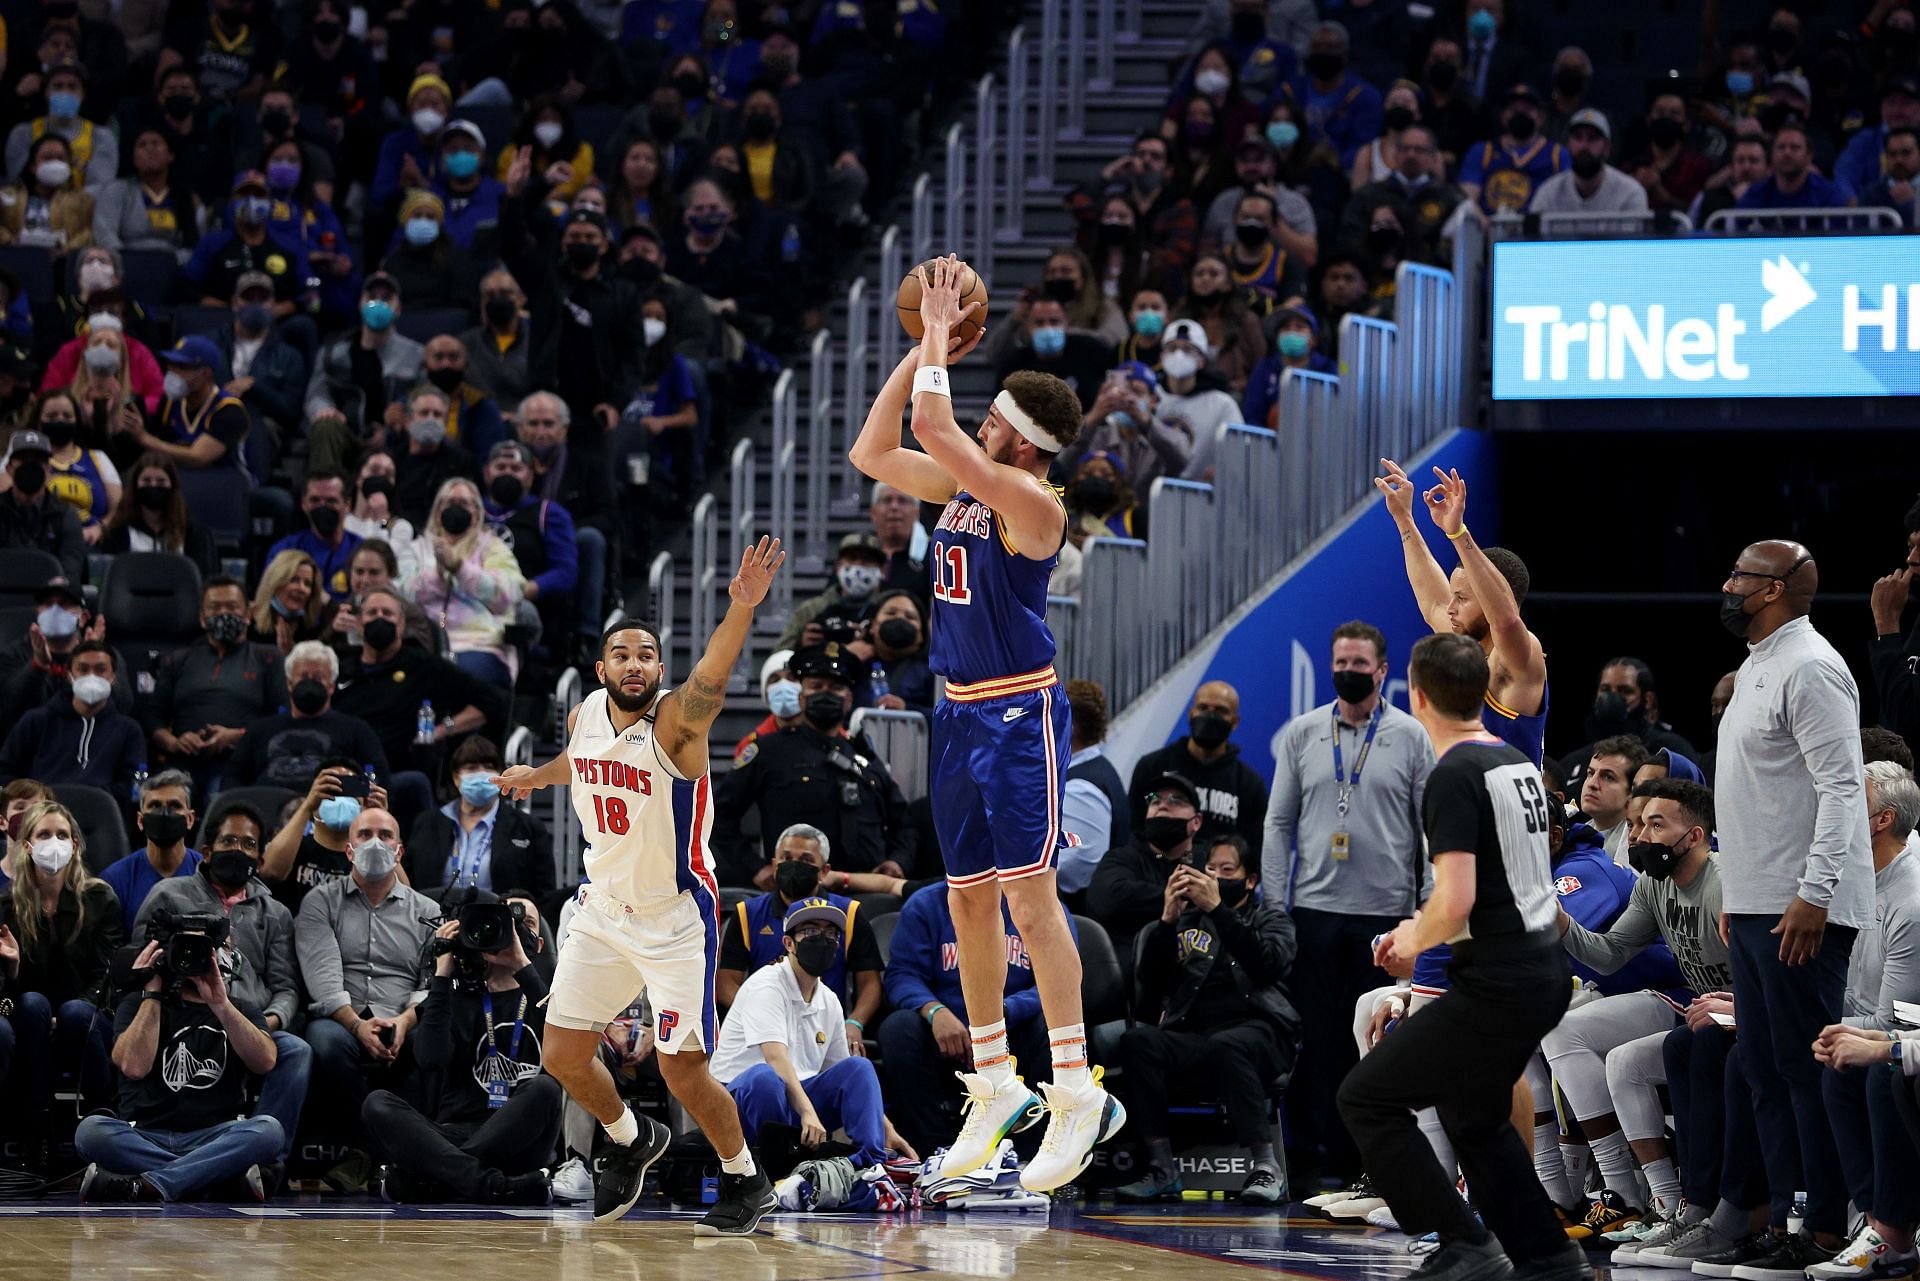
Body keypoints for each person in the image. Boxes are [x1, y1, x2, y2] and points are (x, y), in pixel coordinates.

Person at [849, 254, 1124, 1190]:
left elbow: (932, 422)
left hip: (1018, 715)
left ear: (1023, 443)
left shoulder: (1031, 503)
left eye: (994, 422)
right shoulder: (966, 485)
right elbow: (877, 450)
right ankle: (999, 1080)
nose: (978, 426)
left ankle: (1078, 1082)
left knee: (1031, 900)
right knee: (966, 897)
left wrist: (936, 334)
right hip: (956, 713)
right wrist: (923, 349)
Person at [488, 539, 787, 1233]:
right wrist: (540, 775)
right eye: (622, 654)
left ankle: (747, 1177)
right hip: (603, 910)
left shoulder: (679, 725)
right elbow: (581, 759)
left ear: (659, 668)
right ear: (603, 667)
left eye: (647, 656)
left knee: (684, 1071)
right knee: (561, 1052)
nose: (634, 665)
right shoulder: (586, 711)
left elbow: (713, 672)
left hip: (675, 917)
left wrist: (741, 607)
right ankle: (630, 1138)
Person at [1337, 633, 1589, 1281]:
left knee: (1367, 1096)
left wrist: (1409, 941)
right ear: (1482, 692)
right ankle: (1548, 1255)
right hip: (1541, 968)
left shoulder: (1451, 774)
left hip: (1498, 979)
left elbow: (1456, 899)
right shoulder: (1510, 758)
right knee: (1473, 1114)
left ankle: (1462, 1239)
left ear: (1415, 696)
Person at [1715, 539, 1876, 1273]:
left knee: (1806, 1069)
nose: (1727, 584)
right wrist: (1735, 891)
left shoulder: (1812, 666)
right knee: (1766, 1067)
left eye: (1740, 574)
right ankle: (1786, 1217)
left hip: (1801, 906)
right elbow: (1760, 799)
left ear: (1775, 587)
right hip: (1756, 903)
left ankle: (1826, 1227)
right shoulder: (1757, 664)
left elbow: (1845, 787)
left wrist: (1814, 891)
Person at [1264, 620, 1434, 1187]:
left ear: (1382, 671)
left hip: (1385, 915)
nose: (1349, 672)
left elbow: (1430, 828)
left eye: (1360, 665)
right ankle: (1316, 1160)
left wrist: (1427, 909)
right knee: (1316, 1041)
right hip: (1313, 913)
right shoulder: (1302, 733)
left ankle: (1371, 1161)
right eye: (1341, 662)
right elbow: (1277, 823)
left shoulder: (1412, 736)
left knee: (1376, 1041)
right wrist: (1273, 904)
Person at [1548, 778, 1732, 1238]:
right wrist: (1561, 923)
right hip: (1694, 1007)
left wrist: (1738, 1006)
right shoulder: (1653, 885)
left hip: (1730, 1010)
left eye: (1655, 824)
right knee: (1624, 1062)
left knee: (1678, 1050)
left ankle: (1698, 1204)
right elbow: (1610, 953)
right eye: (1640, 823)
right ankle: (1663, 1203)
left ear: (1694, 836)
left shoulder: (1725, 884)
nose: (1640, 836)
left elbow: (1768, 969)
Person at [1114, 833, 1298, 1204]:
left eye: (1226, 870)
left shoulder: (1271, 919)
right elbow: (1150, 991)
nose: (1214, 877)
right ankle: (1163, 1169)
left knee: (1230, 1044)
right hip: (1196, 1036)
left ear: (1250, 880)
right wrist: (1167, 921)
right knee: (1137, 1041)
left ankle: (1267, 1168)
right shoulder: (1184, 922)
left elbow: (1267, 967)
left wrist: (1220, 912)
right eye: (1209, 869)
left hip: (1261, 1033)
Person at [712, 897, 916, 1211]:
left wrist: (888, 1130)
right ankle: (769, 1177)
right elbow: (776, 1059)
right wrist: (808, 1113)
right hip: (739, 1103)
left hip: (793, 1102)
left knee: (858, 1067)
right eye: (810, 931)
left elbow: (846, 1076)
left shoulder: (830, 1000)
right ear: (788, 943)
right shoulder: (766, 986)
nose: (822, 939)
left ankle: (872, 1169)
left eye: (830, 933)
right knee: (765, 1079)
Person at [135, 802, 309, 1165]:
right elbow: (140, 965)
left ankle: (264, 1167)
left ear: (260, 859)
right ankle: (205, 1159)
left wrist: (269, 1023)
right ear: (208, 851)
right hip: (179, 1017)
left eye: (249, 844)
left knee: (296, 1050)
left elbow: (287, 986)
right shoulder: (169, 895)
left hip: (248, 1021)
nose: (239, 850)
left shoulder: (275, 913)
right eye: (229, 841)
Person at [361, 890, 559, 1205]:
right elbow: (429, 1059)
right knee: (377, 1104)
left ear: (539, 943)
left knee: (546, 1088)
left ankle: (435, 1181)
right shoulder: (455, 997)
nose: (510, 931)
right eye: (502, 922)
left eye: (523, 923)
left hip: (523, 1139)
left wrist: (521, 965)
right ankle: (490, 1185)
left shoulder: (545, 997)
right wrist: (442, 974)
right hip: (456, 1132)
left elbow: (563, 1049)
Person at [74, 925, 283, 1203]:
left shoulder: (240, 1008)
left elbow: (265, 1062)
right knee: (91, 1132)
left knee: (269, 1131)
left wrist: (220, 1004)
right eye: (184, 948)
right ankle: (214, 1177)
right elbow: (134, 1067)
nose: (193, 957)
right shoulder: (137, 1003)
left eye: (207, 949)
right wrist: (152, 992)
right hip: (147, 1134)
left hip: (215, 1134)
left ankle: (148, 1184)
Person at [877, 881, 1069, 1159]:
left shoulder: (1044, 906)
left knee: (1047, 1025)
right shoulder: (926, 904)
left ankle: (1032, 1155)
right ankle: (933, 1153)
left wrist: (1002, 1010)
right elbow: (901, 974)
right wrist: (933, 1011)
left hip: (1012, 1034)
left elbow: (1058, 980)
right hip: (948, 1036)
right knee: (898, 1029)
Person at [1378, 458, 1550, 765]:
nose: (1451, 608)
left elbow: (1506, 620)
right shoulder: (1467, 650)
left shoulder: (1519, 657)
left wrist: (1458, 534)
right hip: (1469, 797)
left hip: (1509, 806)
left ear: (1490, 598)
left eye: (1462, 598)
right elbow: (1432, 603)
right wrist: (1404, 518)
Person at [714, 642, 917, 884]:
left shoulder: (864, 756)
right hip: (798, 892)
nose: (825, 693)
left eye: (835, 688)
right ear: (801, 698)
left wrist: (897, 861)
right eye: (816, 687)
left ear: (849, 699)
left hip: (866, 891)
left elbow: (904, 823)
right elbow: (720, 817)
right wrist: (755, 869)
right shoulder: (769, 751)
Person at [295, 805, 435, 1139]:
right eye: (365, 835)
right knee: (326, 1042)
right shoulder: (319, 902)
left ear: (398, 851)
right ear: (349, 849)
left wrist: (404, 1021)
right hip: (342, 1017)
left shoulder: (428, 911)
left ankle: (398, 1147)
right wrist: (357, 1025)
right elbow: (323, 978)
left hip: (405, 1016)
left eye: (385, 836)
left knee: (428, 1040)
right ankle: (376, 1145)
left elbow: (432, 984)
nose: (375, 843)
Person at [1, 799, 122, 1134]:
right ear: (27, 845)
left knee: (74, 1013)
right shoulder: (6, 906)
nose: (53, 843)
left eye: (61, 834)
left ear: (75, 844)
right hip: (27, 1015)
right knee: (31, 1004)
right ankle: (36, 1125)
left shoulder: (100, 899)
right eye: (43, 834)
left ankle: (105, 1123)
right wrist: (11, 971)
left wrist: (77, 1006)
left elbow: (106, 978)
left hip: (87, 1012)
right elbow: (4, 1000)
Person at [716, 824, 883, 1043]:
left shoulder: (849, 913)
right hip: (765, 1025)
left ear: (824, 871)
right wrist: (754, 1013)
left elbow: (870, 982)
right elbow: (726, 982)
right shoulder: (747, 913)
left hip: (827, 1028)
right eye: (786, 858)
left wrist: (855, 1023)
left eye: (806, 860)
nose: (794, 865)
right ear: (775, 866)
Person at [332, 587, 496, 807]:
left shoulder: (425, 668)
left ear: (402, 625)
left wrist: (442, 729)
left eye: (387, 613)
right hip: (343, 775)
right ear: (359, 624)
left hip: (396, 776)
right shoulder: (341, 670)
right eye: (372, 613)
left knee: (414, 785)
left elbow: (491, 701)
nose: (380, 618)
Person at [149, 576, 286, 792]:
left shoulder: (269, 658)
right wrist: (175, 742)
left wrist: (235, 736)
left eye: (232, 607)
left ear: (248, 615)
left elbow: (281, 718)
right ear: (202, 618)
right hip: (183, 763)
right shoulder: (177, 660)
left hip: (241, 762)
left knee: (218, 796)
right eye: (214, 608)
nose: (223, 613)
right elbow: (153, 719)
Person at [404, 478, 525, 686]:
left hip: (480, 644)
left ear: (477, 512)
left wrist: (460, 568)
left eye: (464, 503)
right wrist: (438, 574)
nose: (456, 508)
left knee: (455, 679)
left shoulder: (493, 548)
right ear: (436, 510)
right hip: (423, 643)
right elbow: (403, 592)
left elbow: (508, 595)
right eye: (450, 503)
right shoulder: (416, 549)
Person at [225, 641, 390, 793]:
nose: (310, 683)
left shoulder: (357, 730)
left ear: (331, 685)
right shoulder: (259, 730)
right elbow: (232, 778)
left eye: (318, 678)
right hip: (266, 812)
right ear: (289, 683)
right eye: (303, 677)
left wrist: (339, 791)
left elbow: (377, 779)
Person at [303, 274, 427, 475]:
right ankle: (326, 496)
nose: (377, 303)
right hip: (347, 437)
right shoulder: (333, 352)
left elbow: (424, 399)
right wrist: (325, 410)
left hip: (396, 440)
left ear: (398, 308)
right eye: (372, 297)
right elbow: (316, 394)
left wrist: (391, 429)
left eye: (386, 298)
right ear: (360, 304)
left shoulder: (416, 355)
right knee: (325, 426)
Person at [1128, 680, 1269, 854]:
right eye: (1203, 708)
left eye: (1221, 711)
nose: (1210, 716)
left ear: (1235, 721)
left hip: (1217, 877)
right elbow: (1134, 834)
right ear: (1191, 713)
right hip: (1158, 875)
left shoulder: (1250, 785)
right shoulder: (1152, 767)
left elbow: (1252, 853)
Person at [403, 737, 551, 896]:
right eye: (472, 768)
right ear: (456, 778)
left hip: (502, 917)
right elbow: (409, 884)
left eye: (489, 767)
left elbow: (545, 895)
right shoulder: (427, 823)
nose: (481, 774)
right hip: (435, 917)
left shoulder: (528, 827)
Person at [0, 642, 144, 794]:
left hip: (102, 814)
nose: (91, 676)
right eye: (82, 669)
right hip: (40, 812)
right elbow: (5, 771)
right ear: (69, 675)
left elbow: (137, 785)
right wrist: (33, 797)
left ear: (114, 677)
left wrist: (95, 799)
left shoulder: (129, 730)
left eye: (100, 670)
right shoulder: (35, 721)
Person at [1087, 771, 1208, 952]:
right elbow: (1111, 899)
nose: (1163, 805)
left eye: (1176, 800)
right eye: (1155, 800)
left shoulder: (1209, 863)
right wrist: (1182, 897)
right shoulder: (1120, 858)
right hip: (1131, 967)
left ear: (1196, 821)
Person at [260, 761, 390, 914]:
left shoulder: (370, 857)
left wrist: (381, 823)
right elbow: (269, 871)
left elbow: (404, 899)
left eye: (349, 789)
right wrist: (307, 806)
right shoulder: (294, 849)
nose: (341, 799)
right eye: (331, 788)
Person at [1558, 657, 1699, 794]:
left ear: (1648, 700)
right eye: (1605, 690)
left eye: (1625, 691)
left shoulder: (1669, 751)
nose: (1611, 699)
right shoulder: (1573, 761)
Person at [131, 336, 251, 479]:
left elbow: (198, 457)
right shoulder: (170, 402)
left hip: (225, 483)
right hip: (181, 478)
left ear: (205, 373)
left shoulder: (229, 410)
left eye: (181, 367)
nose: (172, 372)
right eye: (170, 365)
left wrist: (145, 439)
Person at [98, 771, 200, 934]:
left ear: (190, 819)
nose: (164, 814)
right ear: (140, 820)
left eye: (174, 806)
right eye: (155, 806)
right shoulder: (114, 879)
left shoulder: (207, 874)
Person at [1059, 679, 1130, 899]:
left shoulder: (1081, 789)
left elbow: (1075, 868)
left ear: (1069, 726)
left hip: (1075, 918)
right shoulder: (1085, 772)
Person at [97, 452, 217, 576]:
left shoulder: (194, 534)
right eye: (146, 481)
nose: (153, 485)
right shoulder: (117, 532)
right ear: (135, 486)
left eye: (161, 481)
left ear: (172, 486)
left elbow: (202, 579)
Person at [1459, 84, 1570, 214]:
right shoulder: (1482, 151)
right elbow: (1467, 200)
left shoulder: (1558, 155)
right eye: (1513, 110)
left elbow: (1567, 201)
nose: (1520, 114)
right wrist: (1481, 221)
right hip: (1489, 228)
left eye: (1527, 110)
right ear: (1502, 117)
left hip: (1536, 229)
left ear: (1540, 117)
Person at [777, 532, 890, 650]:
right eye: (852, 558)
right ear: (838, 566)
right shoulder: (811, 610)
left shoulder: (889, 609)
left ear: (883, 570)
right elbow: (779, 657)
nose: (858, 565)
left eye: (867, 560)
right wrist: (802, 645)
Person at [1528, 109, 1649, 215]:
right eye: (1578, 137)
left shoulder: (1630, 193)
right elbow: (1534, 240)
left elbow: (1632, 241)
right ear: (1567, 145)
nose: (1584, 146)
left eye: (1593, 138)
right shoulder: (1548, 193)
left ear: (1607, 148)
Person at [0, 429, 85, 578]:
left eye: (38, 461)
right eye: (24, 460)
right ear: (9, 469)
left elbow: (71, 573)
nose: (31, 466)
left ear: (49, 470)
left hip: (49, 597)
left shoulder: (65, 515)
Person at [270, 470, 363, 599]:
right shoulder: (283, 551)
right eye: (315, 500)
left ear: (347, 504)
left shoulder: (362, 550)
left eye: (331, 501)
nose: (322, 506)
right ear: (304, 504)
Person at [1738, 122, 1850, 211]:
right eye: (1781, 147)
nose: (1787, 153)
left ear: (1809, 156)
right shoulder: (1755, 194)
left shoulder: (1828, 196)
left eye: (1795, 147)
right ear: (1771, 154)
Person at [1576, 736, 1648, 866]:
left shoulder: (1640, 845)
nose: (1592, 784)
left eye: (1608, 777)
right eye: (1591, 773)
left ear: (1632, 791)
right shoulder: (1574, 835)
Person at [248, 549, 327, 656]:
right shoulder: (249, 621)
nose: (301, 588)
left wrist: (291, 653)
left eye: (307, 584)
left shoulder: (310, 631)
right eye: (294, 580)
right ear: (276, 581)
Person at [1860, 126, 1920, 229]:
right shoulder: (1871, 194)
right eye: (1892, 154)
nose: (1899, 160)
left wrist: (1912, 204)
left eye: (1906, 153)